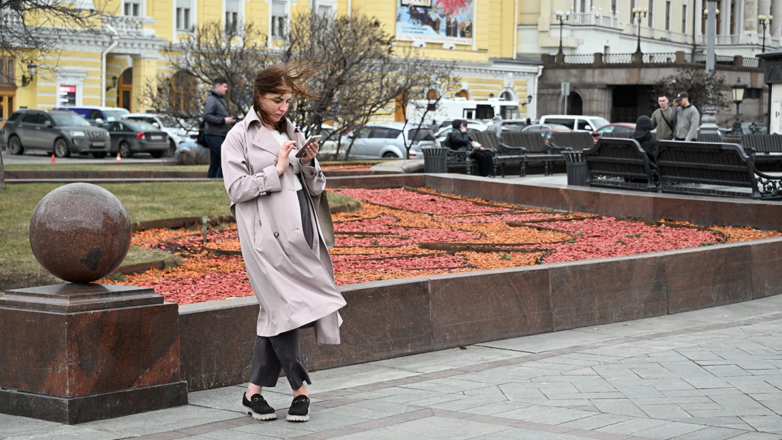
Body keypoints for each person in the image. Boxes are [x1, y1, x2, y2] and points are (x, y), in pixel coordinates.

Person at [221, 64, 347, 424]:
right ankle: (300, 390)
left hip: (301, 229)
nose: (283, 107)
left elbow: (315, 187)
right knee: (285, 308)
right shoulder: (238, 137)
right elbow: (236, 189)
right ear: (258, 96)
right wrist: (275, 170)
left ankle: (253, 393)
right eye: (277, 100)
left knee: (278, 312)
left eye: (288, 100)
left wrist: (306, 164)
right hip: (266, 236)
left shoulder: (293, 130)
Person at [203, 77, 235, 178]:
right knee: (225, 157)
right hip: (213, 135)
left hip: (218, 134)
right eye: (224, 86)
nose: (226, 89)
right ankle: (222, 180)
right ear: (218, 86)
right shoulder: (212, 100)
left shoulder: (219, 100)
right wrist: (223, 121)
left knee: (215, 162)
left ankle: (210, 181)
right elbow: (207, 116)